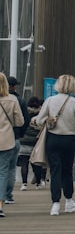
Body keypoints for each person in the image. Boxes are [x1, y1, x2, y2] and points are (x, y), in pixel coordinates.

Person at [33, 74, 75, 215]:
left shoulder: (50, 100)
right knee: (67, 170)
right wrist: (71, 125)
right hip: (69, 139)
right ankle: (69, 201)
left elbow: (39, 120)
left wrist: (49, 121)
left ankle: (55, 204)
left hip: (52, 138)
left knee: (55, 170)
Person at [0, 73, 25, 219]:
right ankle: (1, 205)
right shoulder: (12, 99)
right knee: (3, 173)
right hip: (6, 140)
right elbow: (20, 121)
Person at [17, 96, 46, 190]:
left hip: (24, 141)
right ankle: (38, 183)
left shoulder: (24, 113)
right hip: (36, 142)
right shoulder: (41, 114)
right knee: (36, 164)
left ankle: (24, 184)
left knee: (24, 163)